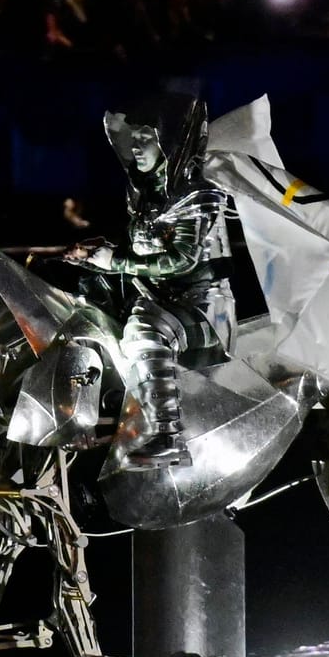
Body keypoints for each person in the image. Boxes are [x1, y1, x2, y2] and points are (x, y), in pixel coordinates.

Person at [58, 101, 234, 469]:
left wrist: (116, 261)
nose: (136, 146)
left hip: (203, 312)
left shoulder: (198, 193)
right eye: (133, 137)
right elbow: (141, 250)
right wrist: (96, 256)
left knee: (143, 331)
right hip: (156, 300)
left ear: (168, 143)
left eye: (146, 137)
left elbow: (181, 259)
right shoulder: (142, 194)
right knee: (90, 316)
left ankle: (169, 436)